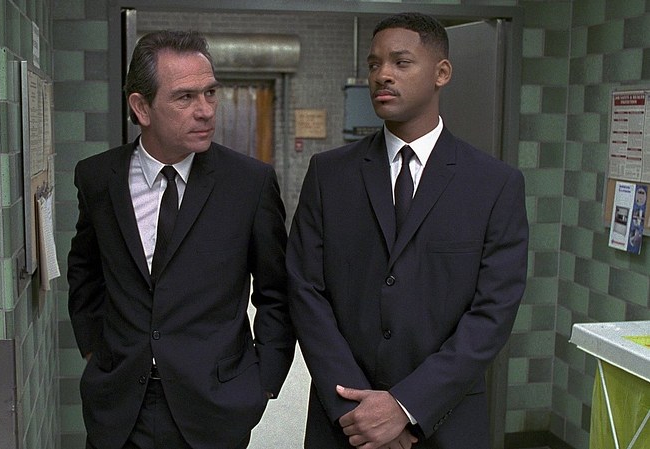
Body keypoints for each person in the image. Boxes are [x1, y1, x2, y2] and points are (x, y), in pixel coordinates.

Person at [287, 12, 528, 449]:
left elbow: (493, 311)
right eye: (374, 64)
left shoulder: (493, 184)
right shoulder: (329, 175)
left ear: (441, 73)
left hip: (445, 420)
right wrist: (357, 411)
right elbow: (305, 290)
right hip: (345, 421)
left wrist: (406, 406)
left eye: (400, 63)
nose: (382, 75)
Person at [67, 30, 295, 449]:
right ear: (141, 107)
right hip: (120, 405)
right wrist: (95, 352)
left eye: (210, 93)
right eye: (185, 97)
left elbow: (276, 291)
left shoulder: (249, 184)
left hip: (214, 406)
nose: (205, 111)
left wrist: (262, 382)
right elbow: (86, 272)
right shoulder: (98, 178)